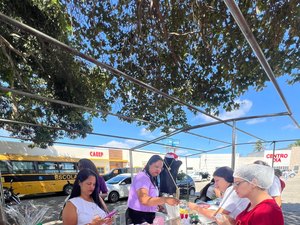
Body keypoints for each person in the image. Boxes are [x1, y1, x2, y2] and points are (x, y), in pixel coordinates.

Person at [215, 164, 284, 225]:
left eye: (237, 183)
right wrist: (233, 222)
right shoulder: (253, 204)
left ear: (253, 182)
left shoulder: (265, 211)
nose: (234, 188)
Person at [126, 155, 180, 225]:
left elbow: (151, 197)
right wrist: (165, 199)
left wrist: (157, 204)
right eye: (156, 167)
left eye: (161, 168)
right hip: (139, 216)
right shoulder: (142, 177)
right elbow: (144, 199)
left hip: (146, 215)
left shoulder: (150, 178)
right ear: (149, 165)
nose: (159, 170)